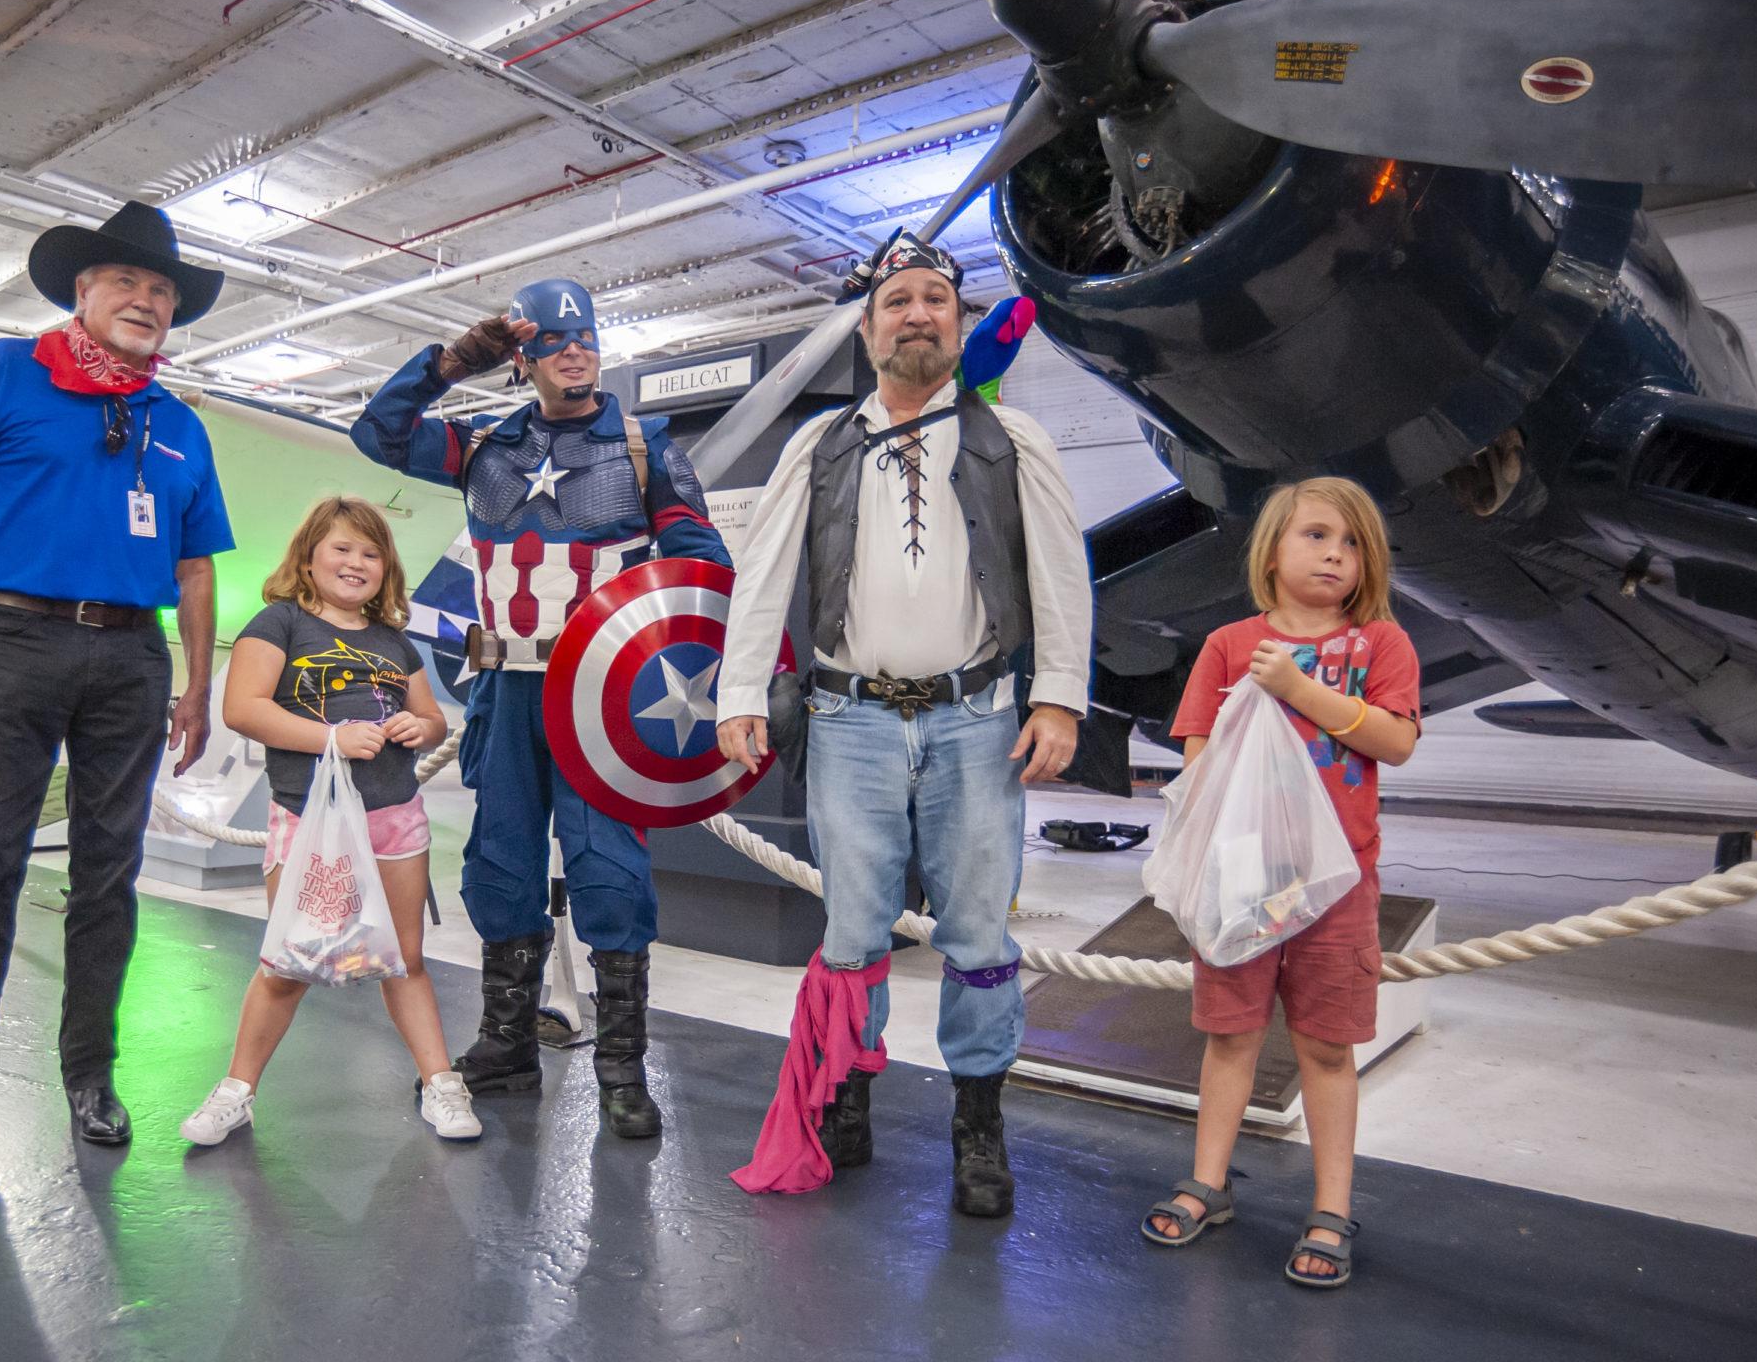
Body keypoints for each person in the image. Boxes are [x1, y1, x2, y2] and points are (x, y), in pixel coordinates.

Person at [716, 233, 1091, 1218]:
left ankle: (978, 1120)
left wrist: (1058, 695)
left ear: (959, 322)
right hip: (849, 722)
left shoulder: (1016, 440)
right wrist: (740, 692)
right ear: (869, 328)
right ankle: (846, 1092)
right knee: (850, 928)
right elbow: (763, 574)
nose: (917, 313)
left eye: (936, 298)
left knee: (976, 933)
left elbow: (1060, 574)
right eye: (898, 301)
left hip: (978, 721)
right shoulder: (817, 442)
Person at [350, 277, 728, 1140]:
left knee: (609, 871)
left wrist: (712, 681)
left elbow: (705, 568)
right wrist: (450, 364)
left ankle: (623, 1068)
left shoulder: (644, 447)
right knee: (501, 865)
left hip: (602, 697)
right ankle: (507, 1044)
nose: (574, 350)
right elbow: (377, 433)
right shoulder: (484, 444)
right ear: (522, 359)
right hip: (505, 691)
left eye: (584, 336)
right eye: (554, 341)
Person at [0, 202, 235, 1176]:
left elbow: (196, 568)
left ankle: (90, 1077)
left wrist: (196, 681)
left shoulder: (175, 421)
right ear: (82, 291)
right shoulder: (4, 372)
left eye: (163, 292)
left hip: (130, 661)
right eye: (128, 282)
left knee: (109, 875)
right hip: (14, 639)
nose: (147, 301)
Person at [1137, 476, 1420, 1289]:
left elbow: (1397, 744)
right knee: (1229, 1033)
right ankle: (1209, 1180)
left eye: (1355, 542)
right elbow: (1198, 760)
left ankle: (1332, 1205)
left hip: (1337, 885)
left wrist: (1301, 690)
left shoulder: (1381, 646)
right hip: (1243, 878)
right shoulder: (1229, 646)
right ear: (1272, 550)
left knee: (1327, 1046)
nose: (1337, 553)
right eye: (1318, 535)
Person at [180, 496, 476, 1145]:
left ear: (386, 569)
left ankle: (440, 1082)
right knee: (287, 964)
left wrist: (417, 725)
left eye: (371, 553)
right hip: (309, 821)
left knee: (405, 958)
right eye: (342, 548)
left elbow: (431, 721)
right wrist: (332, 739)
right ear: (309, 557)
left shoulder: (394, 642)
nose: (356, 562)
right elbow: (245, 708)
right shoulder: (278, 623)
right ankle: (237, 1090)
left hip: (395, 818)